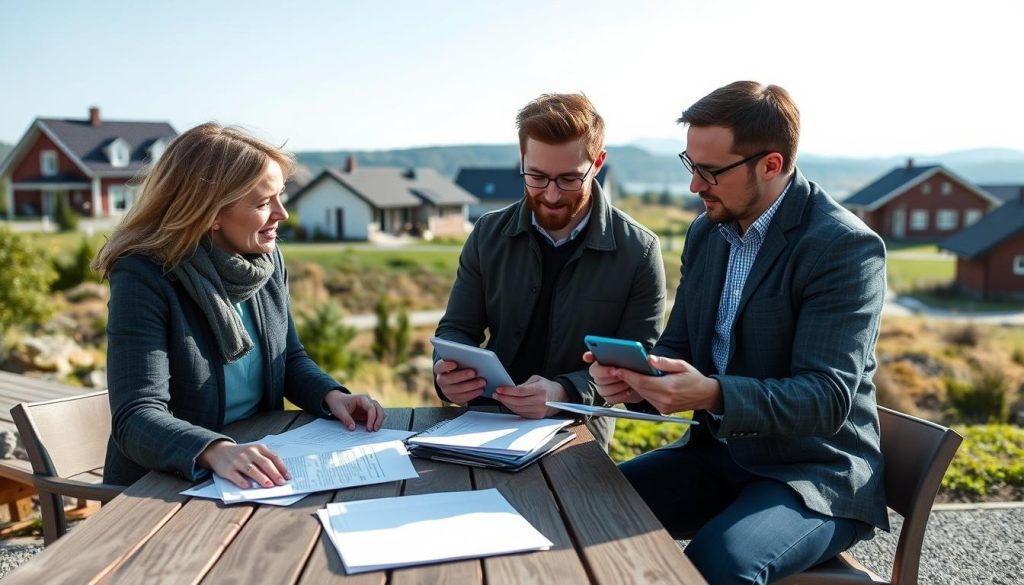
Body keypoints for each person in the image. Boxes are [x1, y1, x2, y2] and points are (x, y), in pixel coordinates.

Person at [586, 81, 888, 584]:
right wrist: (639, 383)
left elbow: (827, 398)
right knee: (581, 506)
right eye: (691, 165)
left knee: (718, 566)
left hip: (811, 475)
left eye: (710, 171)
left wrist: (710, 392)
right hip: (717, 456)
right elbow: (679, 348)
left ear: (771, 165)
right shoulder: (707, 232)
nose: (695, 186)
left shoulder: (843, 247)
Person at [93, 123, 385, 489]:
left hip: (253, 468)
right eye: (264, 203)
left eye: (280, 196)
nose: (283, 214)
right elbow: (136, 417)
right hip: (164, 483)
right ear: (211, 213)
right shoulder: (144, 275)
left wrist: (333, 396)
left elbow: (288, 358)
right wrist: (215, 449)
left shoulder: (266, 260)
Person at [433, 93, 666, 448]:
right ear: (521, 160)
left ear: (598, 163)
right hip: (483, 422)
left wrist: (564, 391)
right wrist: (445, 374)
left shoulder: (639, 250)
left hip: (578, 431)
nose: (552, 195)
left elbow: (637, 367)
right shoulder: (486, 234)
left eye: (569, 179)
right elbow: (456, 328)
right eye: (537, 176)